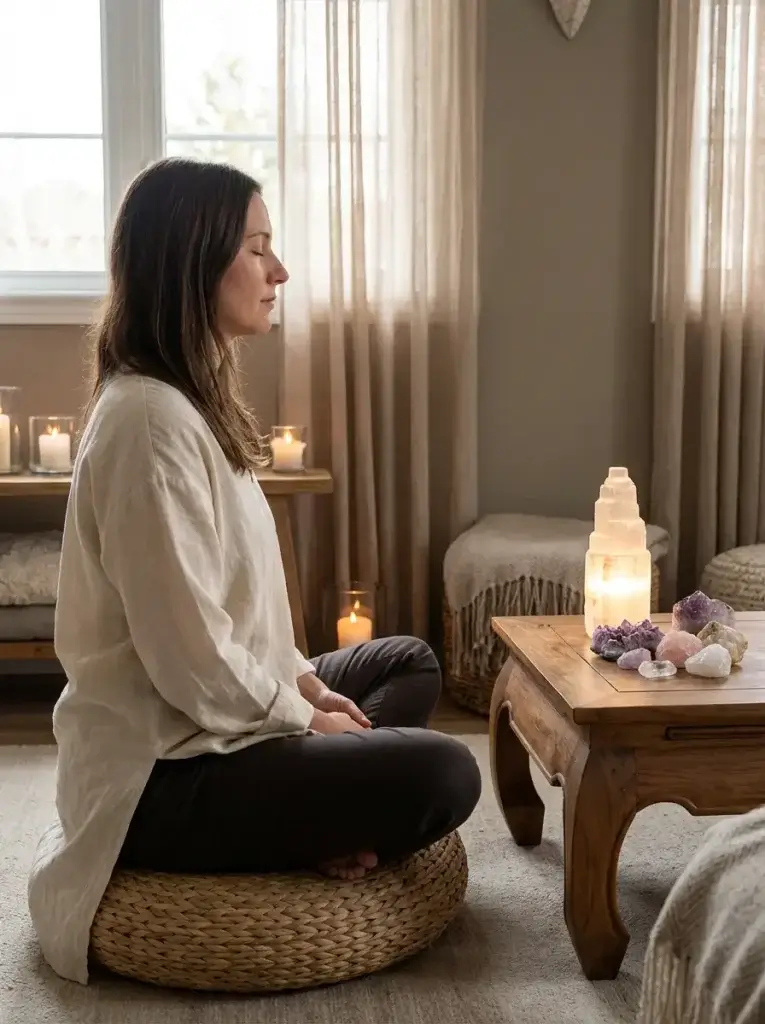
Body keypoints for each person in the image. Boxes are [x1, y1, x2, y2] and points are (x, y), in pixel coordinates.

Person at [27, 158, 482, 985]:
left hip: (217, 723)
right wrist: (306, 725)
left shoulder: (187, 402)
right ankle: (323, 816)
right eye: (257, 248)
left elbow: (238, 628)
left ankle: (324, 815)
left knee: (405, 662)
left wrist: (305, 690)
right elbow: (187, 657)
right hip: (161, 775)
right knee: (447, 771)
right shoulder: (146, 425)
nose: (279, 271)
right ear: (191, 261)